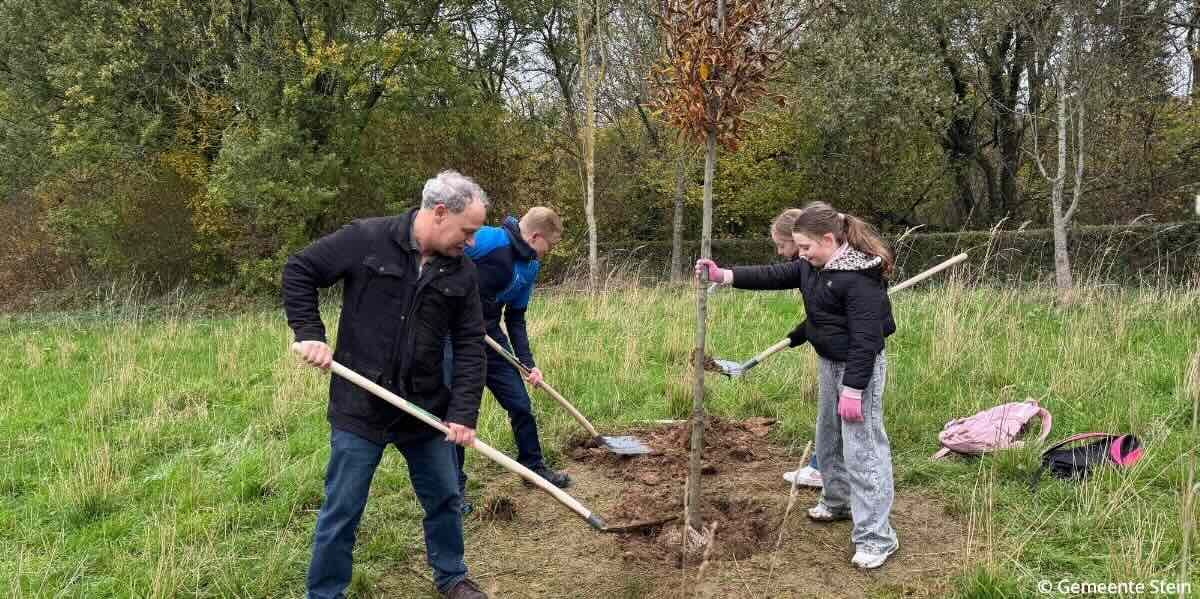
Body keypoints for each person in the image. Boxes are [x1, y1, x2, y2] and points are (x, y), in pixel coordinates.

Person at [283, 170, 492, 599]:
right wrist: (310, 333)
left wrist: (463, 413)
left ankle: (451, 577)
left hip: (425, 409)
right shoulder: (367, 239)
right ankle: (325, 593)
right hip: (361, 405)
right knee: (342, 510)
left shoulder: (462, 273)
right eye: (467, 231)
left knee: (445, 499)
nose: (470, 242)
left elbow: (471, 344)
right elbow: (300, 269)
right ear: (438, 213)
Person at [695, 201, 899, 569]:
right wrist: (723, 275)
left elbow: (867, 340)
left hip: (858, 369)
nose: (800, 255)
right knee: (828, 437)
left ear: (828, 239)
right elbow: (773, 275)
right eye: (798, 249)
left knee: (863, 449)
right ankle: (838, 502)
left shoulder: (859, 278)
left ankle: (876, 537)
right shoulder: (814, 265)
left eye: (805, 248)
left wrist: (854, 388)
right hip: (828, 363)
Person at [450, 208, 568, 511]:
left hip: (490, 335)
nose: (548, 252)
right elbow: (442, 262)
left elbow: (515, 318)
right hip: (452, 337)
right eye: (549, 246)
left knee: (520, 403)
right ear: (535, 236)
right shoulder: (488, 240)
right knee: (458, 414)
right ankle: (453, 489)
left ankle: (533, 467)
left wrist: (528, 363)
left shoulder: (530, 267)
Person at [768, 208, 824, 490]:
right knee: (830, 416)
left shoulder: (819, 265)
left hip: (850, 359)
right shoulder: (808, 266)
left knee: (837, 418)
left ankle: (823, 469)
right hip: (831, 351)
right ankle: (822, 467)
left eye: (782, 245)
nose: (780, 252)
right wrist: (798, 335)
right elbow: (821, 314)